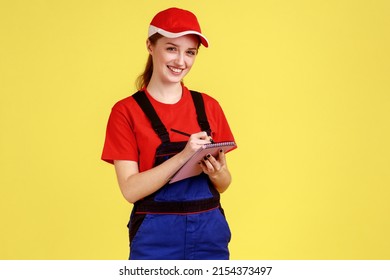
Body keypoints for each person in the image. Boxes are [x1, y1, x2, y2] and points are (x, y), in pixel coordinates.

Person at [101, 7, 236, 260]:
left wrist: (218, 173)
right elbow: (130, 190)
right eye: (171, 48)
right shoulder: (126, 112)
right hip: (155, 243)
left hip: (210, 237)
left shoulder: (209, 107)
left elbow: (224, 184)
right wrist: (185, 155)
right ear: (151, 46)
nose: (181, 61)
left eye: (190, 52)